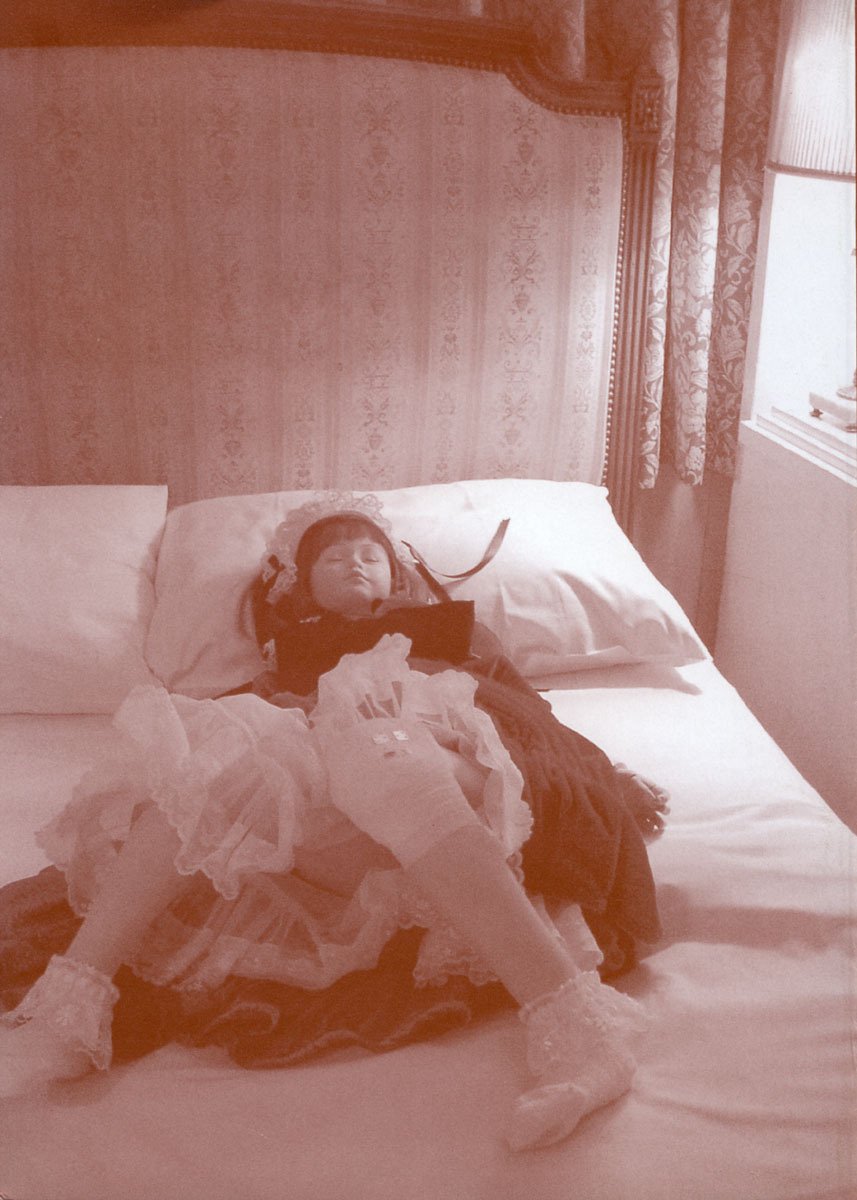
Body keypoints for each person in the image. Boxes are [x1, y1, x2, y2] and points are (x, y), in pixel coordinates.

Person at [0, 495, 667, 1152]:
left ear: (396, 572)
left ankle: (581, 1029)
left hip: (450, 772)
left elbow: (530, 714)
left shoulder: (457, 635)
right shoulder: (283, 663)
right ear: (299, 584)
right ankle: (72, 1007)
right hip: (350, 827)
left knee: (373, 738)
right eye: (333, 558)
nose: (354, 563)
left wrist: (605, 776)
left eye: (370, 554)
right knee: (211, 756)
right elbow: (241, 757)